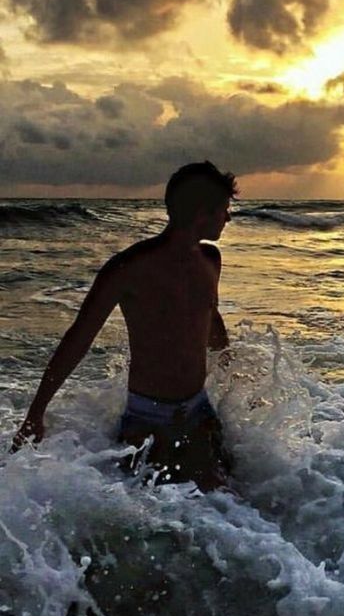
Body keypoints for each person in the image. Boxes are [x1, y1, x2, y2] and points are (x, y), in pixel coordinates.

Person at [13, 160, 237, 490]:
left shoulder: (210, 261)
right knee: (155, 509)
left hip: (198, 409)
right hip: (148, 417)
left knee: (233, 496)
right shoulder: (128, 268)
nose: (228, 218)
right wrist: (36, 413)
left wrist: (232, 375)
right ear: (203, 213)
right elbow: (79, 338)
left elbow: (210, 318)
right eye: (224, 210)